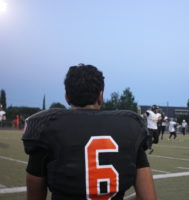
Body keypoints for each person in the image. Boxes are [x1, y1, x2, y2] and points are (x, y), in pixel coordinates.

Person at [22, 64, 157, 200]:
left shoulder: (46, 128)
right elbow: (148, 198)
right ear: (100, 96)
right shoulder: (131, 128)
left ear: (67, 97)